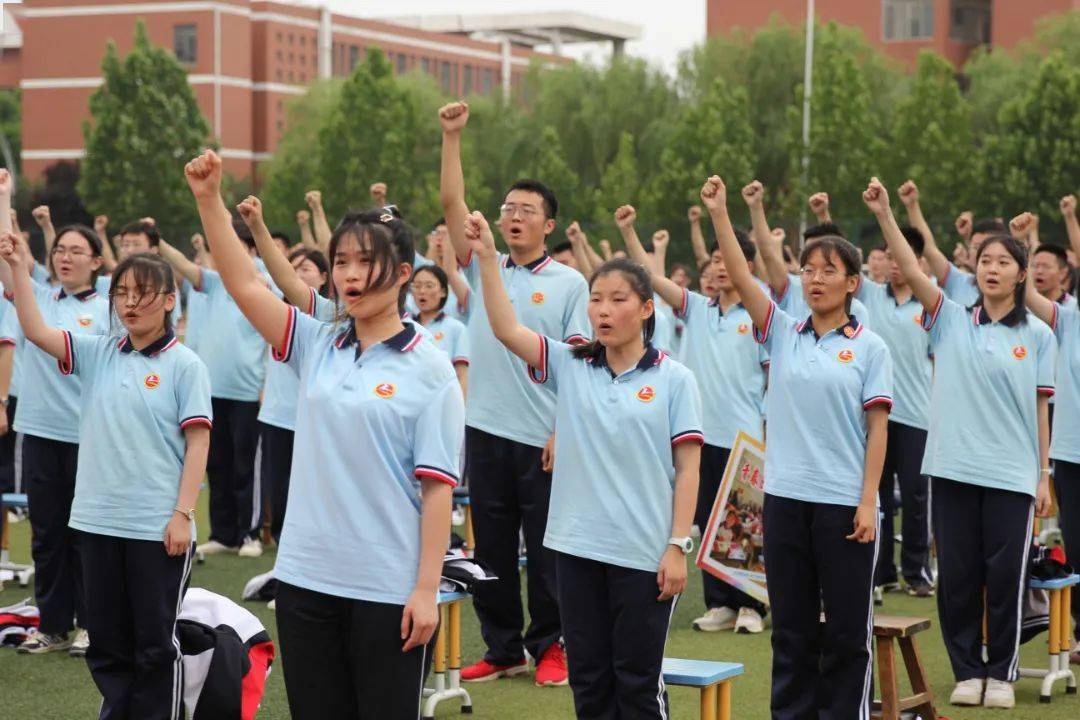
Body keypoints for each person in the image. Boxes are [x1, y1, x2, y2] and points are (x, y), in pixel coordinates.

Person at [185, 149, 461, 718]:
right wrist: (210, 201)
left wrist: (426, 589)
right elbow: (244, 286)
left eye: (367, 262)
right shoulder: (317, 343)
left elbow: (437, 490)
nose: (351, 275)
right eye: (342, 262)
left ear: (405, 273)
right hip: (306, 579)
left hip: (387, 586)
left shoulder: (430, 368)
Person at [466, 209, 702, 718]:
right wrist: (487, 257)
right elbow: (507, 329)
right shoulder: (571, 366)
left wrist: (678, 545)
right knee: (590, 683)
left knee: (637, 685)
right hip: (574, 551)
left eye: (618, 300)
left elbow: (688, 469)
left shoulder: (675, 379)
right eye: (596, 299)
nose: (603, 310)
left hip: (643, 556)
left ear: (645, 309)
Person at [705, 174, 891, 719]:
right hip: (784, 500)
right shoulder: (783, 332)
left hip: (843, 505)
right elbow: (742, 276)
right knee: (790, 629)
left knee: (846, 633)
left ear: (853, 282)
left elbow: (878, 429)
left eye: (828, 271)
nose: (814, 279)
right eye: (808, 270)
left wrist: (867, 500)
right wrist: (719, 213)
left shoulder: (870, 348)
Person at [865, 181, 1054, 710]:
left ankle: (1004, 672)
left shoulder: (1038, 334)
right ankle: (968, 670)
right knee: (960, 579)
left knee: (1005, 576)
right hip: (951, 469)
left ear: (1021, 273)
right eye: (984, 260)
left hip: (1012, 476)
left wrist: (1042, 475)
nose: (992, 268)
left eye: (1003, 261)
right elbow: (914, 262)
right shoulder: (949, 318)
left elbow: (1041, 410)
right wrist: (885, 215)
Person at [4, 242, 211, 720]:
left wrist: (182, 515)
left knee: (154, 643)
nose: (131, 303)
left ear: (168, 299)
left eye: (143, 293)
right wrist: (18, 267)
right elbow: (35, 331)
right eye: (122, 294)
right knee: (108, 642)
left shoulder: (186, 365)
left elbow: (198, 444)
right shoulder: (99, 352)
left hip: (156, 529)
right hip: (96, 522)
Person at [440, 101, 589, 686]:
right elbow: (453, 204)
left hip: (545, 437)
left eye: (527, 210)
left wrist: (563, 428)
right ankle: (503, 648)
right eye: (508, 209)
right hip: (486, 428)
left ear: (549, 224)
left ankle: (553, 645)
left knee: (548, 550)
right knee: (491, 550)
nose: (515, 217)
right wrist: (452, 138)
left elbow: (579, 364)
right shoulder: (484, 266)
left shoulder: (571, 283)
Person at [617, 199, 769, 635]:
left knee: (743, 520)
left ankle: (751, 606)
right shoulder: (697, 308)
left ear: (747, 265)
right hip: (702, 432)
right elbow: (652, 280)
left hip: (744, 432)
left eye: (730, 261)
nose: (721, 268)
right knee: (707, 521)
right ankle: (720, 602)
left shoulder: (758, 318)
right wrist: (630, 233)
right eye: (716, 260)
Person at [0, 171, 110, 658]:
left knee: (85, 533)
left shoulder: (109, 307)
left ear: (97, 262)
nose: (64, 257)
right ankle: (53, 625)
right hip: (40, 433)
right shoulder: (37, 298)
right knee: (46, 535)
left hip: (89, 437)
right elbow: (10, 253)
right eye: (59, 250)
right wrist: (5, 196)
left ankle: (92, 624)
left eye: (76, 251)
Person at [848, 185, 937, 600]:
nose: (894, 264)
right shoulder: (870, 296)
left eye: (902, 257)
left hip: (918, 413)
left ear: (916, 262)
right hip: (877, 413)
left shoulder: (929, 303)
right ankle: (880, 569)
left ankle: (916, 570)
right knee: (877, 492)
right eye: (887, 256)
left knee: (916, 494)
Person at [158, 229, 268, 558]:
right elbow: (184, 266)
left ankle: (250, 534)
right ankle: (223, 533)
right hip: (212, 391)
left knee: (245, 465)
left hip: (248, 392)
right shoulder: (218, 282)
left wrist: (266, 386)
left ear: (249, 250)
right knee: (216, 463)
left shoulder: (262, 283)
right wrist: (158, 240)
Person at [410, 264, 469, 396]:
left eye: (429, 286)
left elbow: (462, 376)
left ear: (443, 291)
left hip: (442, 400)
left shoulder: (455, 328)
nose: (422, 291)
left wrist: (459, 412)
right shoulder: (405, 327)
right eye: (417, 286)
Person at [1030, 243, 1076, 308]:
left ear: (1062, 273)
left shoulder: (1074, 309)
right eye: (1035, 266)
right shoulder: (1022, 306)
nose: (1039, 271)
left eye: (1046, 267)